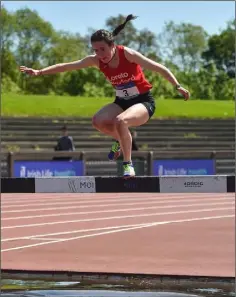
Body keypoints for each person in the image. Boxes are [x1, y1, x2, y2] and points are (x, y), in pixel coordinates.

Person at [19, 14, 190, 178]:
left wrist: (178, 86)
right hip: (121, 102)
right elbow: (67, 66)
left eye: (103, 49)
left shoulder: (127, 54)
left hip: (143, 102)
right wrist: (40, 72)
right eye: (96, 50)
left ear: (112, 45)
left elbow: (160, 68)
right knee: (97, 121)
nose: (100, 54)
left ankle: (127, 164)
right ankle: (120, 140)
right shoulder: (96, 60)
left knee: (121, 121)